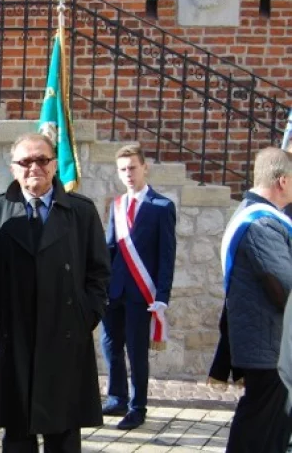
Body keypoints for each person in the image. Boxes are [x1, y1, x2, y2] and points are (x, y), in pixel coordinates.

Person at [0, 133, 110, 453]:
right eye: (25, 162)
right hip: (15, 343)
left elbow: (99, 273)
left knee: (64, 437)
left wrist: (86, 315)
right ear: (13, 169)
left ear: (55, 165)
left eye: (42, 160)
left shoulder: (81, 212)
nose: (34, 167)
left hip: (65, 338)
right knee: (17, 437)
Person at [218, 147, 292, 452]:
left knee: (269, 433)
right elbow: (286, 288)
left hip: (272, 345)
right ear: (283, 181)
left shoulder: (266, 219)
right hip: (269, 350)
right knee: (258, 433)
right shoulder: (260, 223)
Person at [100, 144, 176, 430]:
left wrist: (163, 296)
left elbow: (167, 255)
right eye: (123, 170)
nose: (128, 174)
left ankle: (137, 406)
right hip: (114, 290)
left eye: (133, 167)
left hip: (141, 294)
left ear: (145, 167)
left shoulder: (162, 206)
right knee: (110, 347)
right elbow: (109, 248)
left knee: (136, 350)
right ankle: (117, 397)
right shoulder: (117, 206)